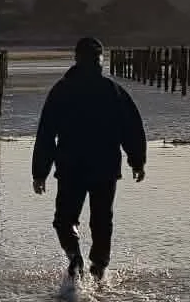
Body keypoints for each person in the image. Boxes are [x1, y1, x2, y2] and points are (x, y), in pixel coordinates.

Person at [32, 37, 146, 281]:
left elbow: (46, 133)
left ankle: (78, 259)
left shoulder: (63, 89)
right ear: (99, 60)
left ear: (77, 59)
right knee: (101, 221)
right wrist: (137, 161)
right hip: (101, 168)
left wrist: (40, 172)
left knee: (66, 221)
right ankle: (97, 270)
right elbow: (132, 128)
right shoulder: (111, 90)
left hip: (72, 167)